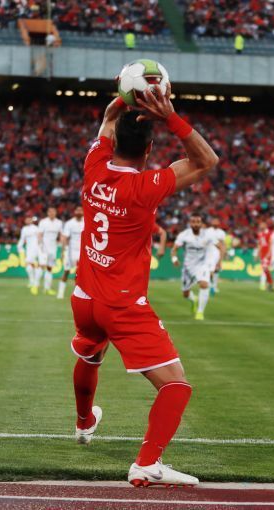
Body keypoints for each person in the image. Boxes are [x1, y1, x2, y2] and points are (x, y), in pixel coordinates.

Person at [69, 84, 218, 487]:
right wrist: (168, 114)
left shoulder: (94, 166)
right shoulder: (145, 187)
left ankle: (84, 422)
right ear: (150, 149)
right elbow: (206, 160)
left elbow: (107, 117)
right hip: (121, 305)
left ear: (113, 142)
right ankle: (147, 463)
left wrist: (126, 97)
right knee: (176, 384)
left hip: (84, 297)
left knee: (90, 353)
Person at [172, 213, 216, 320]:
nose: (196, 224)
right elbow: (174, 249)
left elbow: (220, 245)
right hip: (187, 267)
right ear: (190, 223)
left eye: (198, 222)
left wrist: (218, 262)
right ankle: (194, 299)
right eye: (193, 222)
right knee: (185, 294)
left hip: (202, 265)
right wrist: (174, 259)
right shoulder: (184, 235)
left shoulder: (207, 235)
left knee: (204, 284)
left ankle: (200, 312)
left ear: (201, 223)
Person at [58, 206, 85, 299]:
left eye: (81, 210)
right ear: (74, 211)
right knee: (66, 271)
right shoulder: (69, 223)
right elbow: (65, 238)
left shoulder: (86, 222)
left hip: (82, 251)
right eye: (77, 210)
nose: (79, 212)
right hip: (71, 251)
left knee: (80, 273)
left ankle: (77, 294)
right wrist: (63, 251)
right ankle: (60, 293)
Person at [38, 207, 63, 296]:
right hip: (44, 247)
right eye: (50, 212)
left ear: (56, 213)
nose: (52, 213)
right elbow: (40, 234)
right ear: (48, 213)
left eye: (53, 212)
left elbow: (61, 234)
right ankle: (35, 285)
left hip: (53, 248)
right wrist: (40, 245)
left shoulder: (59, 223)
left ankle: (47, 288)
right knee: (41, 266)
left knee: (49, 268)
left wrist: (60, 244)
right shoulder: (43, 222)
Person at [17, 216, 41, 294]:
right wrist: (19, 246)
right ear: (25, 221)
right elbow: (22, 239)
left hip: (36, 248)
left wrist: (40, 248)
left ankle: (35, 282)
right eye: (26, 220)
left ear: (31, 220)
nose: (28, 221)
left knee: (30, 264)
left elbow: (40, 238)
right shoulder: (24, 229)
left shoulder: (36, 228)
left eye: (29, 219)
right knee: (30, 266)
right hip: (28, 249)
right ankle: (33, 281)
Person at [205, 217, 226, 294]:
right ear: (211, 222)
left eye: (216, 221)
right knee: (208, 270)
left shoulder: (221, 232)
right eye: (214, 221)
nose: (215, 223)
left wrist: (223, 253)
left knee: (216, 269)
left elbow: (223, 244)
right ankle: (209, 285)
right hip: (208, 253)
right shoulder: (207, 231)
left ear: (219, 223)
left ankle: (214, 286)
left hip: (217, 253)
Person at [257, 221, 273, 291]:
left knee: (265, 268)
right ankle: (269, 283)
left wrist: (268, 253)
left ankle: (264, 284)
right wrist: (258, 253)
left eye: (262, 225)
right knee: (264, 269)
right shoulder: (260, 234)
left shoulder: (269, 233)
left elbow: (271, 244)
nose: (260, 226)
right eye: (260, 225)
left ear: (265, 226)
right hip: (262, 254)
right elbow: (260, 244)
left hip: (267, 254)